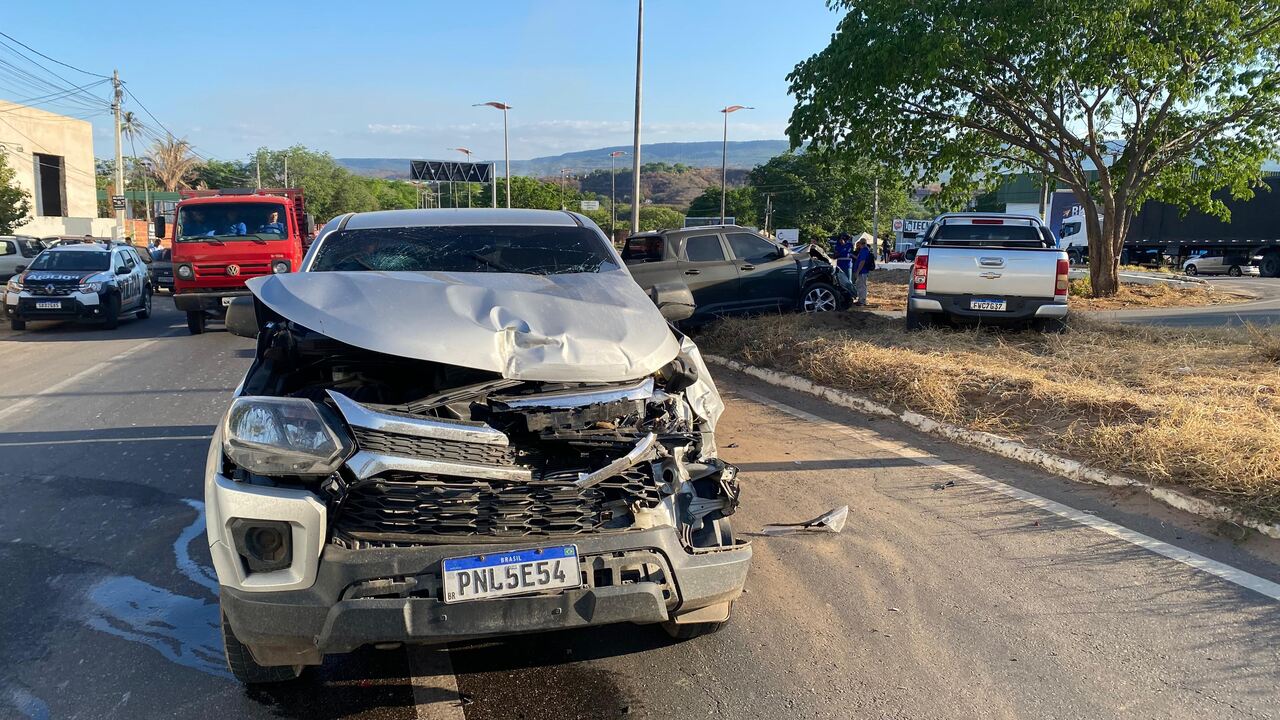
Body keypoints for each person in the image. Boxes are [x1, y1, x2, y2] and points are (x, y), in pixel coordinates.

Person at [853, 236, 873, 306]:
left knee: (862, 286)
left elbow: (862, 262)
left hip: (862, 272)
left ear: (862, 244)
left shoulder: (864, 250)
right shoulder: (864, 250)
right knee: (860, 285)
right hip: (863, 271)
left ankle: (862, 300)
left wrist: (858, 271)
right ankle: (861, 299)